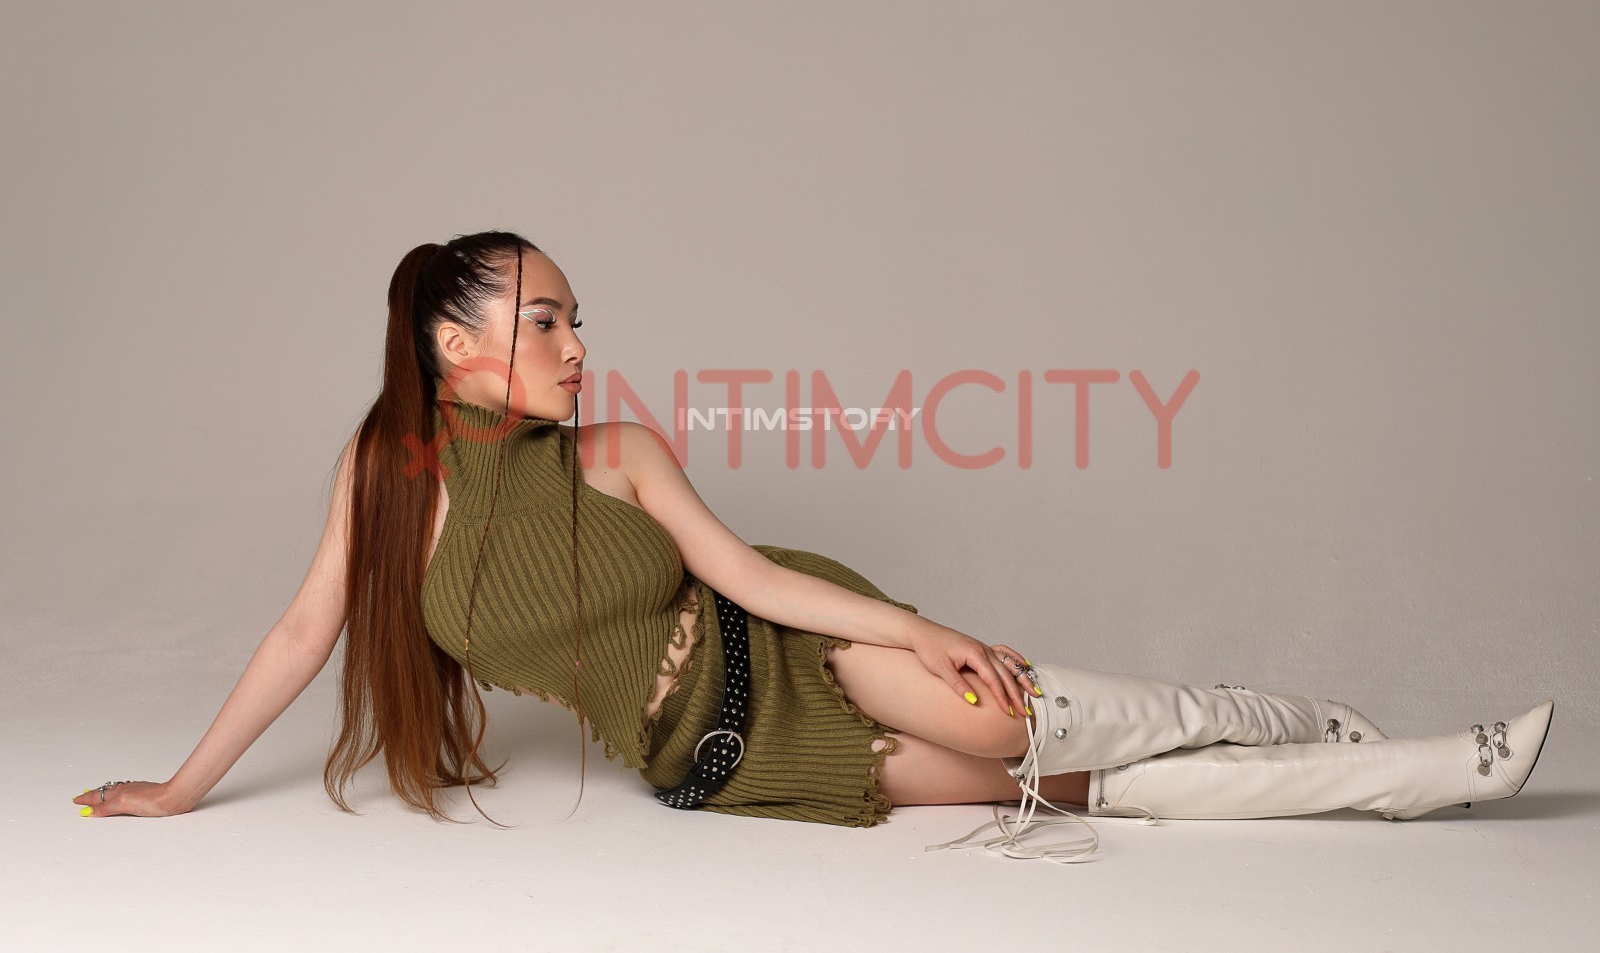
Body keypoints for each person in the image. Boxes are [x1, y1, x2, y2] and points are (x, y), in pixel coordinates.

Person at [73, 231, 1555, 865]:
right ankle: (1355, 769)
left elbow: (752, 578)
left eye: (580, 319)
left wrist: (917, 628)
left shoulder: (617, 453)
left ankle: (1361, 747)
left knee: (1018, 722)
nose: (581, 345)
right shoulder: (387, 479)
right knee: (1066, 788)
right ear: (455, 345)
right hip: (719, 754)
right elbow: (302, 631)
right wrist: (183, 787)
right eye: (548, 321)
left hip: (791, 644)